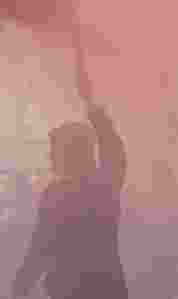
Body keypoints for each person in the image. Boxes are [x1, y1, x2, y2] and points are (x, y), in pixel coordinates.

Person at [11, 27, 129, 299]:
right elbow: (114, 149)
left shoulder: (57, 195)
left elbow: (39, 248)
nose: (51, 157)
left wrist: (21, 285)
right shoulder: (104, 185)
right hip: (106, 290)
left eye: (55, 151)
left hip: (68, 291)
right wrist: (93, 107)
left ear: (69, 154)